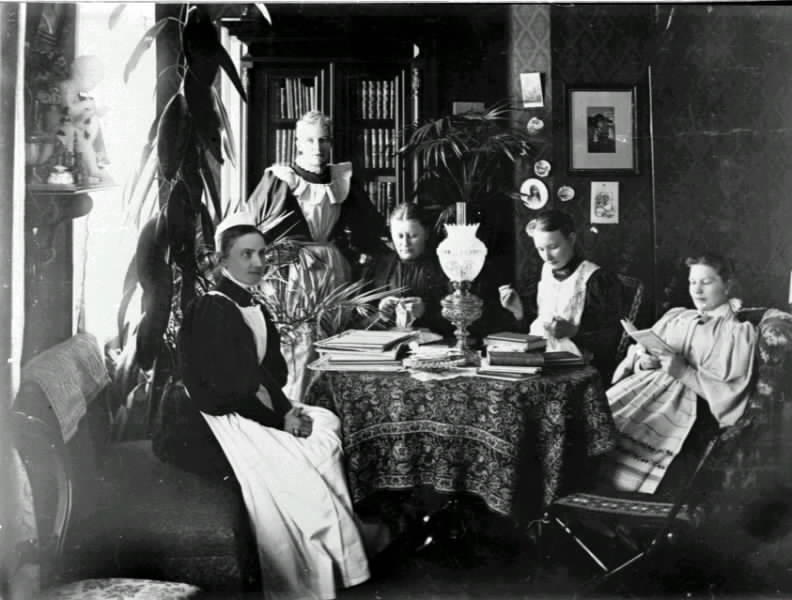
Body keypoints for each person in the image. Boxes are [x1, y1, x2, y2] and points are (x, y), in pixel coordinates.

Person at [177, 213, 382, 600]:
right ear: (222, 260)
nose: (258, 262)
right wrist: (280, 420)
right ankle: (323, 560)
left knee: (324, 424)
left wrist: (286, 410)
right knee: (307, 455)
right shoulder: (214, 308)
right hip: (218, 417)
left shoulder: (249, 303)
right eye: (246, 255)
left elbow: (269, 372)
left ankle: (343, 548)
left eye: (262, 253)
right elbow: (233, 387)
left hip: (249, 404)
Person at [244, 110, 387, 401]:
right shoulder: (280, 179)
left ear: (330, 143)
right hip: (295, 273)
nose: (317, 148)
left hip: (333, 268)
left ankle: (331, 409)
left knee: (334, 339)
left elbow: (367, 226)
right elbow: (256, 228)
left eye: (323, 140)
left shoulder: (341, 180)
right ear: (297, 143)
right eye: (309, 140)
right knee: (300, 345)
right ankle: (295, 406)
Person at [600, 253, 757, 495]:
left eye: (706, 282)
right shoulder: (677, 316)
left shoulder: (737, 332)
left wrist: (683, 372)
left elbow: (731, 393)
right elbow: (638, 355)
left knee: (629, 430)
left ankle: (618, 494)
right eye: (692, 282)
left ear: (727, 285)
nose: (697, 290)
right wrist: (644, 362)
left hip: (686, 402)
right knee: (598, 419)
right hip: (643, 388)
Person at [499, 209, 623, 378]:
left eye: (553, 247)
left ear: (571, 239)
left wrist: (574, 331)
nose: (547, 257)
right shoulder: (543, 272)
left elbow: (611, 338)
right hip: (539, 357)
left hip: (577, 366)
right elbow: (535, 327)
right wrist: (518, 311)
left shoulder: (596, 279)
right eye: (540, 249)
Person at [362, 203, 452, 335]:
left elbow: (462, 317)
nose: (405, 243)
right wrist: (381, 314)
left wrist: (426, 311)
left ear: (426, 233)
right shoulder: (378, 266)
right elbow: (358, 321)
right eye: (399, 236)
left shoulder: (444, 265)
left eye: (413, 236)